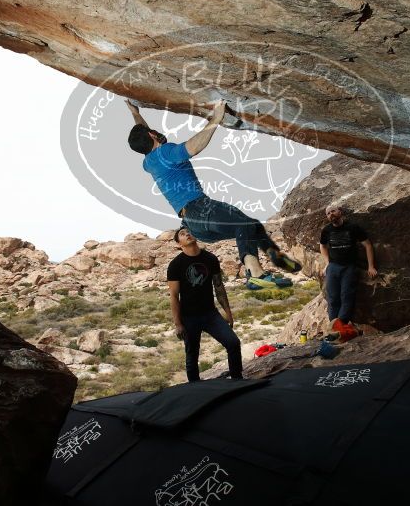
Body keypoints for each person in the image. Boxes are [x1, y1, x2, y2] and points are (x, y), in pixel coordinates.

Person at [126, 98, 301, 290]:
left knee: (251, 226)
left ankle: (276, 259)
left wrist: (136, 113)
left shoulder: (149, 162)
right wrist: (216, 119)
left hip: (195, 226)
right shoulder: (166, 152)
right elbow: (193, 146)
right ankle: (256, 275)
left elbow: (142, 133)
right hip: (200, 209)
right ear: (152, 135)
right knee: (244, 224)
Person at [167, 226, 242, 382]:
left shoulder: (210, 259)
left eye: (189, 231)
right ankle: (195, 389)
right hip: (189, 317)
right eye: (182, 233)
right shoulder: (175, 265)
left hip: (210, 314)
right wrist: (178, 323)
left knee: (233, 343)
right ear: (178, 244)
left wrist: (228, 312)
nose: (187, 233)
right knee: (192, 356)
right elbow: (174, 295)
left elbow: (219, 287)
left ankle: (237, 380)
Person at [319, 204, 378, 342]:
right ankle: (334, 329)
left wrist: (371, 266)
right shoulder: (326, 230)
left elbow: (368, 245)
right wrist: (327, 264)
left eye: (333, 211)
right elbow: (322, 246)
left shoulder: (353, 227)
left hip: (349, 267)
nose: (331, 214)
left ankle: (340, 328)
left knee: (347, 297)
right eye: (328, 213)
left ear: (340, 212)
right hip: (333, 267)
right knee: (333, 299)